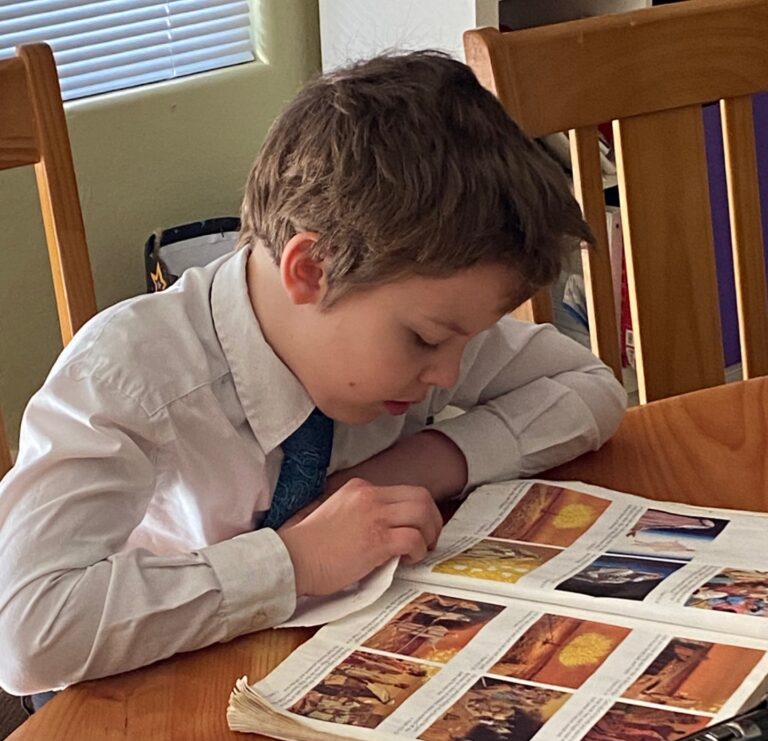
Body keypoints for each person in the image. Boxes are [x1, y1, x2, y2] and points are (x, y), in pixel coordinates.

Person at [0, 51, 626, 702]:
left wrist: (426, 461)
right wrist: (290, 562)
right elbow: (23, 635)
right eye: (427, 340)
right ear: (310, 271)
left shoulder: (417, 311)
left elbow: (592, 388)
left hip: (327, 656)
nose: (448, 373)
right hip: (150, 693)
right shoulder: (129, 372)